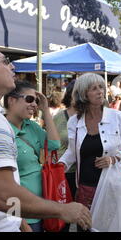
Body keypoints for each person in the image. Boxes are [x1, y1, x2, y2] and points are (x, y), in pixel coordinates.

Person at [0, 38, 91, 232]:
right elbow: (2, 196)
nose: (11, 66)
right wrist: (62, 210)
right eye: (4, 61)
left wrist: (19, 222)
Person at [58, 73, 121, 232]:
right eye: (94, 88)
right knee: (85, 228)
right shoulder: (74, 121)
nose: (100, 91)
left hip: (111, 186)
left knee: (109, 228)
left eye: (101, 87)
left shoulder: (118, 117)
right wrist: (60, 165)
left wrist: (114, 159)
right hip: (85, 188)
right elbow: (72, 152)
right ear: (83, 94)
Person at [4, 80, 61, 232]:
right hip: (23, 215)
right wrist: (20, 221)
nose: (35, 105)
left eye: (36, 101)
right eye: (29, 99)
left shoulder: (31, 126)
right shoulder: (2, 131)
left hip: (42, 208)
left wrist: (46, 110)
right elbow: (5, 185)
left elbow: (55, 144)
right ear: (11, 100)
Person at [53, 80, 77, 208]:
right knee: (63, 216)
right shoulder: (58, 117)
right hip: (63, 172)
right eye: (76, 93)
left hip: (83, 173)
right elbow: (52, 143)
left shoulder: (88, 117)